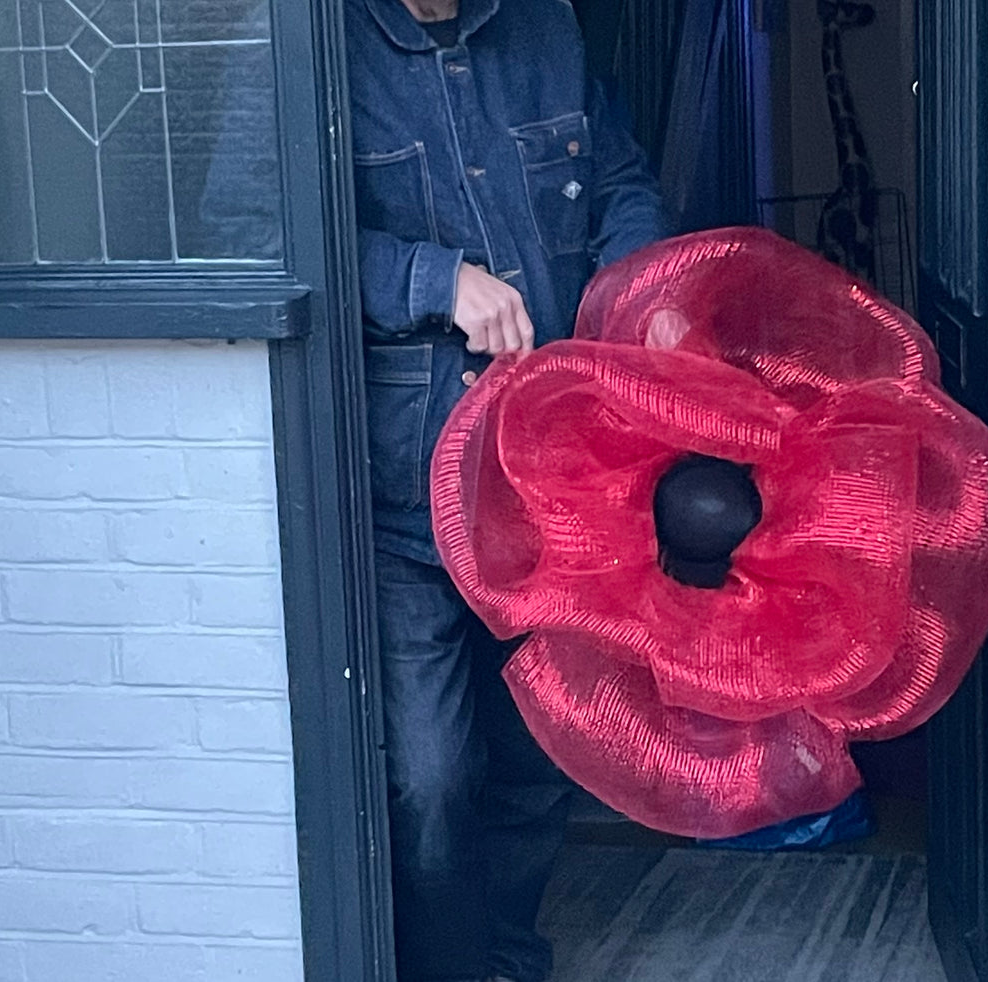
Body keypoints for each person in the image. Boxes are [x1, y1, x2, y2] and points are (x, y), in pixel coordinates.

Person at [344, 0, 667, 979]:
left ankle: (510, 958)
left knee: (533, 754)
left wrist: (635, 287)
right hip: (408, 488)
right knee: (430, 777)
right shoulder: (323, 47)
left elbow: (620, 181)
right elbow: (263, 226)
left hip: (548, 479)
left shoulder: (547, 30)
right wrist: (437, 281)